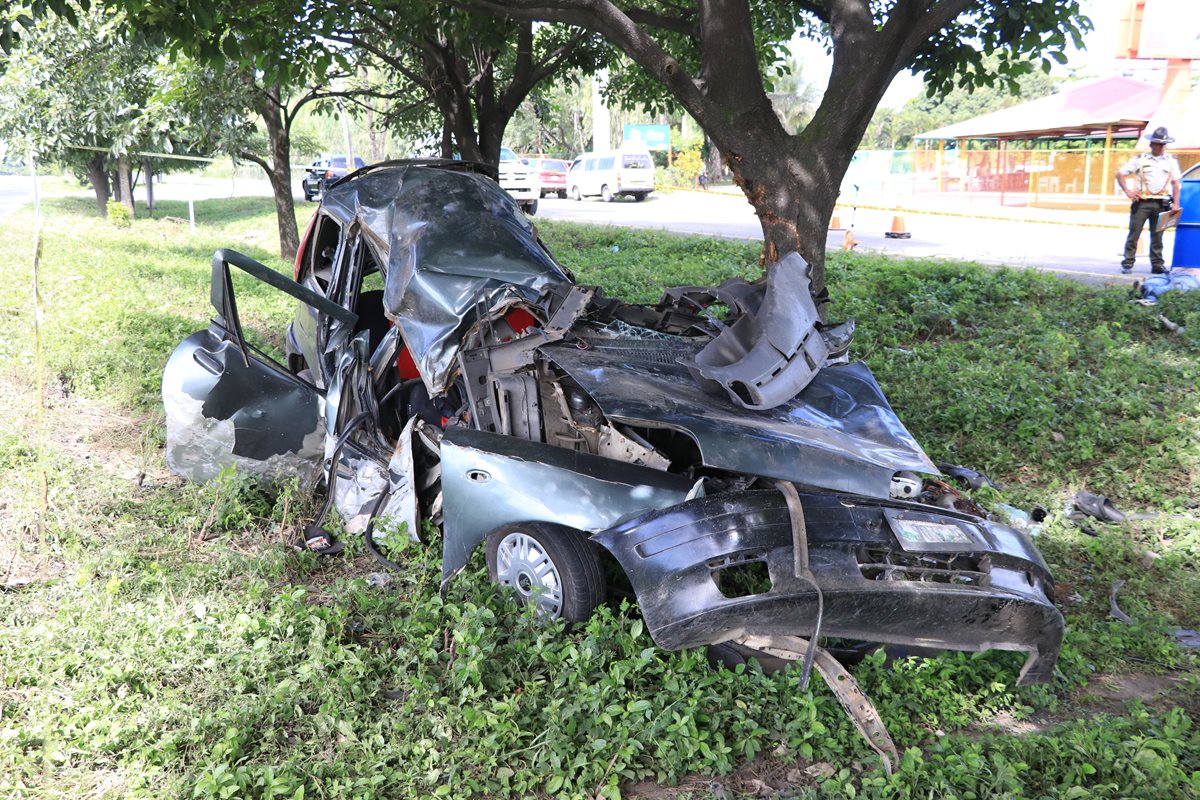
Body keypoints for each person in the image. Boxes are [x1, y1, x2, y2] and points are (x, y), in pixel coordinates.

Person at [1116, 127, 1182, 274]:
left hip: (1162, 204)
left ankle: (1157, 265)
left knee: (1158, 236)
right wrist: (1128, 191)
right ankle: (1127, 263)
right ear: (1151, 144)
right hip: (1142, 203)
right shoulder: (1140, 160)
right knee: (1134, 234)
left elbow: (1176, 183)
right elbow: (1120, 173)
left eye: (1163, 144)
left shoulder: (1171, 161)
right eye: (1157, 144)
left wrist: (1176, 204)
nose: (1160, 147)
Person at [1132, 267, 1200, 306]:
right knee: (1151, 282)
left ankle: (1149, 297)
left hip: (1192, 276)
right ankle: (1149, 297)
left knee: (1178, 288)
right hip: (1170, 273)